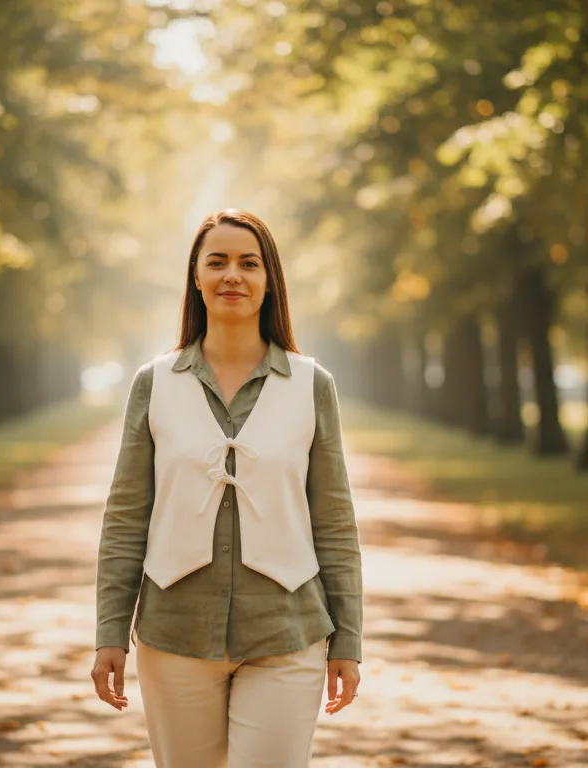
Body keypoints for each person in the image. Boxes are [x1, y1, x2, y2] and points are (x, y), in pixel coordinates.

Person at [91, 208, 364, 767]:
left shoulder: (314, 385)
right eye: (217, 262)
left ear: (270, 280)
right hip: (175, 635)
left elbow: (334, 521)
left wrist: (349, 639)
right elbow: (125, 518)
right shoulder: (155, 383)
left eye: (248, 263)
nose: (232, 275)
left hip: (288, 635)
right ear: (196, 276)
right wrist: (110, 632)